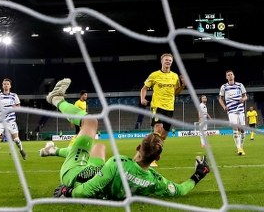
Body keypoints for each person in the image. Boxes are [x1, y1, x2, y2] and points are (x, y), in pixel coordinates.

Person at [44, 77, 211, 200]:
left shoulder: (118, 162)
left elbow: (86, 190)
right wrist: (199, 174)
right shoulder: (154, 180)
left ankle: (56, 99)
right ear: (157, 157)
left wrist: (68, 193)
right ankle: (51, 150)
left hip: (73, 174)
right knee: (98, 148)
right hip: (103, 179)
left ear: (138, 148)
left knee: (90, 122)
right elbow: (181, 189)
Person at [140, 53, 184, 143]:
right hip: (157, 106)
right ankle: (151, 153)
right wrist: (142, 98)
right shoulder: (154, 75)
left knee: (163, 136)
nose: (168, 61)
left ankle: (151, 147)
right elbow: (144, 88)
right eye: (166, 60)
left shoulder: (175, 76)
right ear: (162, 61)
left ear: (172, 62)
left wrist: (183, 86)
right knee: (158, 130)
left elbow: (175, 92)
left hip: (170, 107)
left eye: (170, 60)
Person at [0, 77, 28, 163]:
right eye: (4, 84)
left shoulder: (14, 96)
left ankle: (21, 150)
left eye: (7, 84)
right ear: (2, 86)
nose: (6, 85)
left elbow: (19, 107)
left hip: (11, 121)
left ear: (10, 86)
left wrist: (15, 107)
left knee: (16, 140)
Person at [217, 69, 248, 155]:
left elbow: (245, 96)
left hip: (241, 110)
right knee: (235, 128)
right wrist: (224, 107)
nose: (230, 76)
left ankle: (241, 146)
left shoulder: (240, 85)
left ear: (234, 76)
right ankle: (238, 148)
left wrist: (243, 99)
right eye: (228, 75)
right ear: (226, 77)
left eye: (231, 74)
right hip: (231, 111)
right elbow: (220, 98)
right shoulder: (224, 87)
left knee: (242, 130)